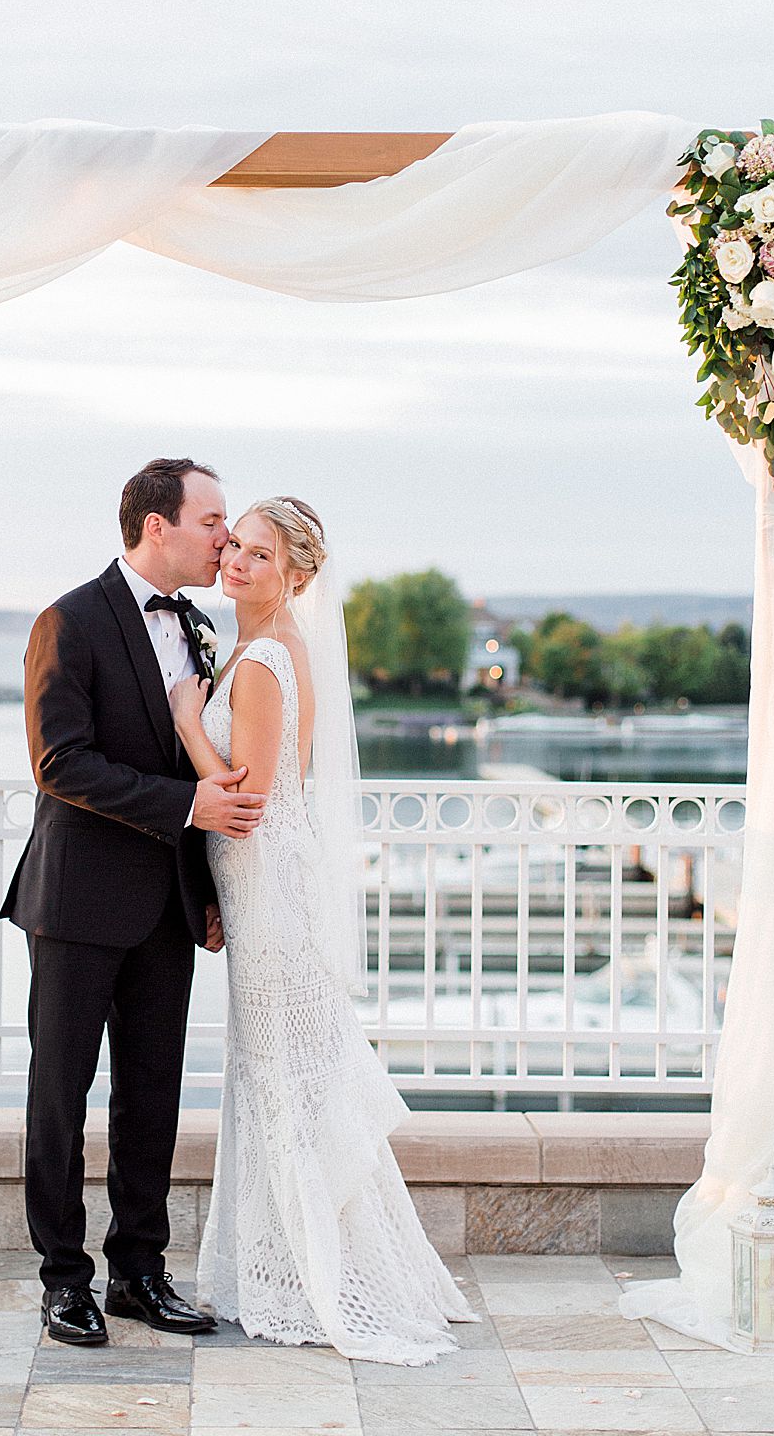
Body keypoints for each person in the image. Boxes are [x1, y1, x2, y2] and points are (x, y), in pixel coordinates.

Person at [170, 496, 476, 1365]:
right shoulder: (260, 648)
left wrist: (190, 721)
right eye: (236, 547)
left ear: (296, 576)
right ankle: (284, 1267)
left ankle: (314, 1276)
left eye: (261, 557)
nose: (237, 563)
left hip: (271, 885)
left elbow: (250, 798)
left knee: (287, 1077)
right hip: (260, 886)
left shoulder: (266, 657)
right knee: (285, 1075)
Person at [0, 457, 265, 1347]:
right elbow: (59, 763)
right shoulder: (67, 621)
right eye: (212, 520)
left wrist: (209, 884)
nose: (223, 537)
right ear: (158, 525)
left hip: (167, 905)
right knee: (60, 1094)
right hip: (76, 903)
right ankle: (63, 1280)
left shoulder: (194, 626)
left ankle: (139, 1274)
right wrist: (188, 805)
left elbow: (195, 753)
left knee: (152, 1094)